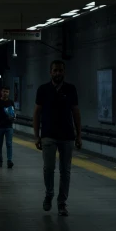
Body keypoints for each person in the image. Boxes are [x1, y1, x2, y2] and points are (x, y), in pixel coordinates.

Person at [33, 60, 82, 217]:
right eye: (55, 70)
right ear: (50, 72)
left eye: (60, 70)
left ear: (64, 72)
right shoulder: (43, 89)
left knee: (65, 171)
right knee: (48, 168)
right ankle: (49, 194)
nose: (58, 73)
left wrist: (78, 135)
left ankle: (62, 203)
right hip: (48, 135)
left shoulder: (71, 89)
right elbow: (36, 113)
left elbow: (76, 112)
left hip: (67, 136)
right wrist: (36, 136)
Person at [0, 86, 16, 169]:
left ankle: (9, 160)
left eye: (7, 92)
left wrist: (13, 117)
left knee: (9, 144)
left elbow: (13, 112)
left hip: (9, 126)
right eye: (4, 91)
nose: (5, 93)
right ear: (1, 92)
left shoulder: (11, 102)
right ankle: (0, 160)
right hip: (0, 126)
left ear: (9, 93)